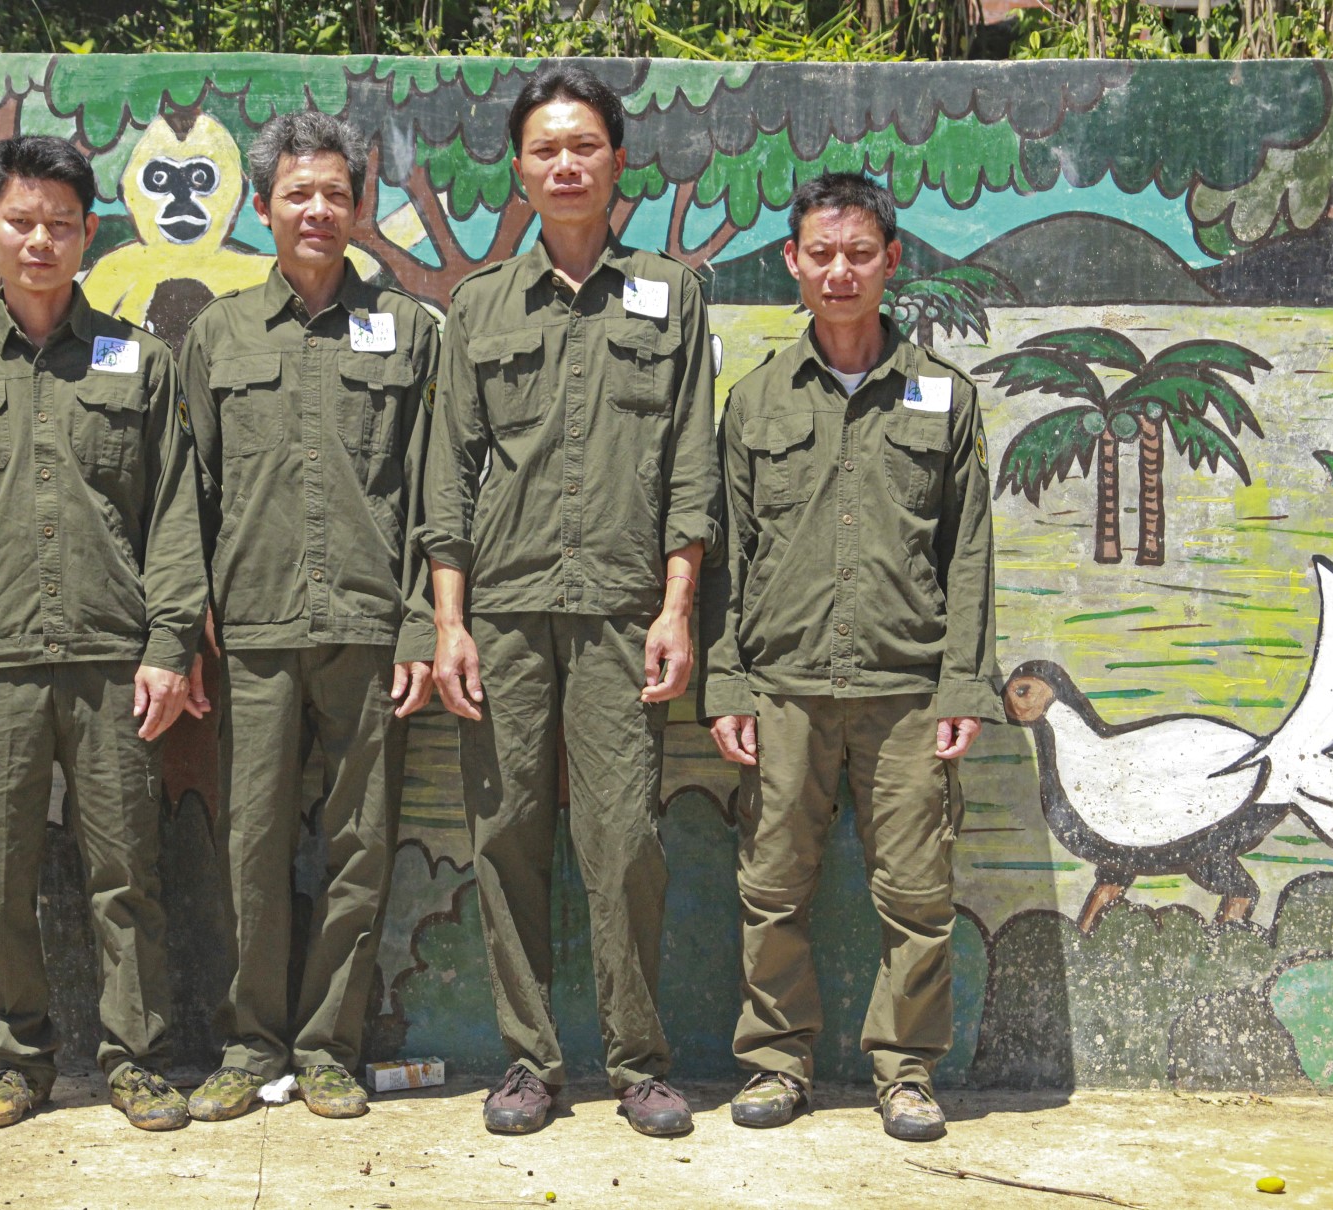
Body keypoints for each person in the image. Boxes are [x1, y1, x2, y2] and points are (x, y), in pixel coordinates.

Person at [422, 65, 721, 1138]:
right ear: (520, 168)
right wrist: (448, 623)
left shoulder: (671, 295)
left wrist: (678, 604)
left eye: (583, 146)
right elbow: (446, 475)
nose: (564, 164)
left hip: (619, 613)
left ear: (616, 162)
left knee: (624, 838)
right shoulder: (480, 306)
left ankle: (639, 1061)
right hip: (501, 610)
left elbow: (691, 461)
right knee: (504, 833)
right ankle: (528, 1060)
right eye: (545, 149)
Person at [0, 135, 208, 1132]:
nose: (40, 239)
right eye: (21, 221)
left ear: (87, 236)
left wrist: (169, 645)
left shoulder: (139, 364)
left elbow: (173, 516)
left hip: (115, 662)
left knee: (127, 872)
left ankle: (138, 1059)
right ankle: (15, 1061)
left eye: (60, 223)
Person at [700, 171, 1001, 1142]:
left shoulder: (943, 399)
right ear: (792, 262)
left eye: (859, 253)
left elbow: (969, 553)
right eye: (820, 254)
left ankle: (905, 1072)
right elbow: (729, 556)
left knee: (917, 896)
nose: (839, 272)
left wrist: (962, 680)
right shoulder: (752, 403)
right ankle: (777, 1063)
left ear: (891, 262)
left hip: (907, 690)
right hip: (783, 690)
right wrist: (729, 681)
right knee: (771, 887)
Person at [175, 111, 440, 1123]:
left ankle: (330, 1045)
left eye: (335, 193)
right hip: (250, 631)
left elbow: (434, 497)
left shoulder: (410, 333)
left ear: (359, 206)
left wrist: (421, 622)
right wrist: (186, 615)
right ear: (265, 206)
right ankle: (251, 1044)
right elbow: (186, 489)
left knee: (360, 841)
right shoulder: (221, 334)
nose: (318, 210)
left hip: (369, 630)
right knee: (252, 842)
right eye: (298, 193)